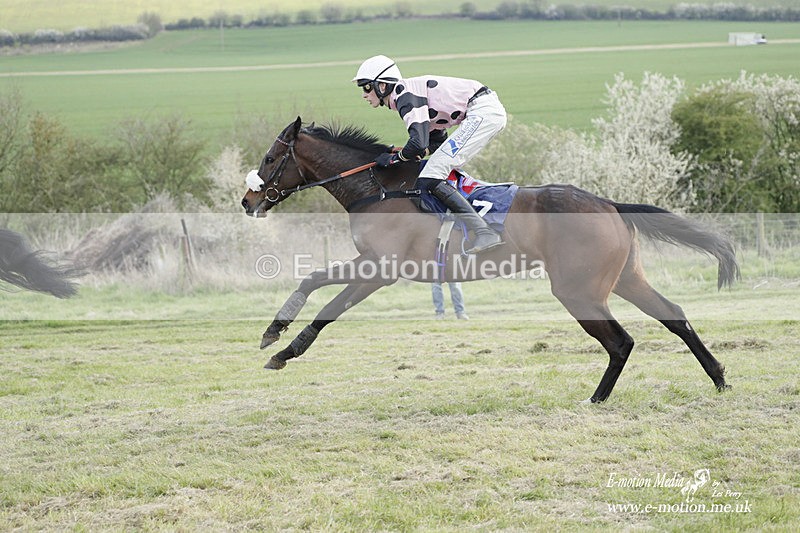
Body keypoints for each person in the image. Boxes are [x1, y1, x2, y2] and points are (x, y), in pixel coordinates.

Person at [352, 55, 507, 254]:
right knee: (434, 169)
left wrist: (394, 159)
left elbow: (417, 143)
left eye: (366, 87)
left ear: (382, 86)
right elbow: (435, 142)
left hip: (483, 112)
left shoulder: (405, 96)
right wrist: (404, 154)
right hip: (483, 111)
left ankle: (484, 232)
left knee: (432, 174)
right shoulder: (408, 94)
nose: (364, 94)